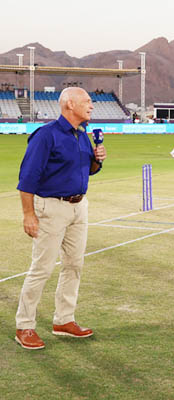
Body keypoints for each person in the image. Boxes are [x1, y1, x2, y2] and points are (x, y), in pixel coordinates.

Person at [14, 87, 107, 350]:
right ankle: (25, 325)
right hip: (51, 209)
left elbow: (88, 171)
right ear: (69, 104)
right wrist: (28, 214)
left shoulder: (82, 134)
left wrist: (97, 160)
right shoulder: (46, 135)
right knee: (42, 269)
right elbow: (27, 178)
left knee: (74, 265)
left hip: (79, 207)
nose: (91, 106)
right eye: (87, 101)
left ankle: (64, 320)